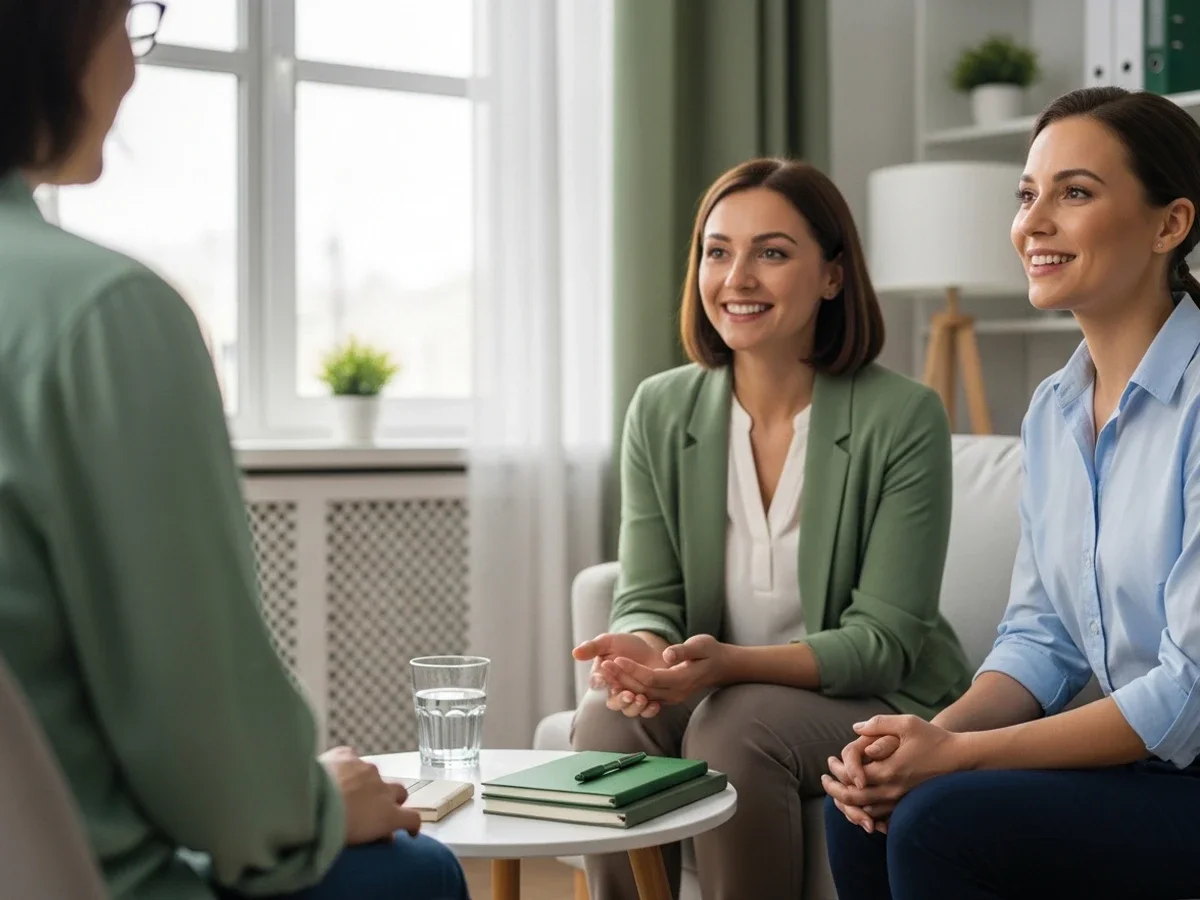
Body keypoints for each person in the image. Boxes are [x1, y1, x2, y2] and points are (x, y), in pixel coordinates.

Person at [0, 3, 469, 899]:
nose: (132, 71)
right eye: (127, 27)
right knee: (415, 871)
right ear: (53, 34)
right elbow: (222, 776)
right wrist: (318, 806)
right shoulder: (103, 317)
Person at [822, 85, 1200, 900]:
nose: (1033, 222)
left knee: (939, 816)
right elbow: (1042, 639)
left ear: (1171, 224)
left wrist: (958, 757)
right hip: (1151, 769)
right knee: (872, 802)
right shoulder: (1053, 412)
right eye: (1028, 194)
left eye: (1075, 193)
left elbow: (1190, 689)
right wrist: (922, 738)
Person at [569, 157, 972, 899]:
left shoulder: (903, 416)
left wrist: (728, 664)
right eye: (718, 252)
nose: (738, 277)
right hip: (721, 679)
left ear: (832, 276)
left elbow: (881, 644)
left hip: (880, 693)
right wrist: (645, 650)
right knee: (605, 724)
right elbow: (650, 593)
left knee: (736, 723)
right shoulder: (660, 409)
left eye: (773, 253)